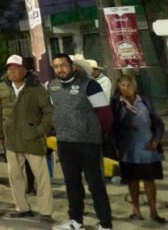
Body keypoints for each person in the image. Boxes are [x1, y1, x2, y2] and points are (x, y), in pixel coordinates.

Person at [49, 53, 113, 230]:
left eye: (63, 65)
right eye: (56, 66)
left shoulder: (90, 85)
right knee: (72, 184)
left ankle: (106, 224)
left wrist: (100, 134)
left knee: (96, 185)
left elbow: (105, 114)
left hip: (88, 143)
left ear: (72, 66)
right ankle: (76, 221)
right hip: (65, 142)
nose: (60, 69)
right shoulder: (52, 86)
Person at [0, 54, 54, 222]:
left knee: (41, 177)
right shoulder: (2, 87)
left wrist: (39, 130)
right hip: (11, 139)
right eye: (9, 69)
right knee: (15, 176)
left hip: (32, 138)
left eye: (16, 68)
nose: (12, 72)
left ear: (24, 70)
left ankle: (45, 211)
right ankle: (22, 207)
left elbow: (48, 112)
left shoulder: (37, 88)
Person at [112, 72, 165, 223]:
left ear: (135, 87)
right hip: (128, 148)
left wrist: (156, 140)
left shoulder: (145, 100)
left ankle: (154, 212)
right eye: (122, 85)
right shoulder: (116, 103)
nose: (126, 88)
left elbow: (158, 123)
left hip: (148, 147)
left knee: (150, 180)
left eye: (129, 85)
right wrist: (115, 146)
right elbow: (112, 128)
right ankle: (136, 210)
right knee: (132, 180)